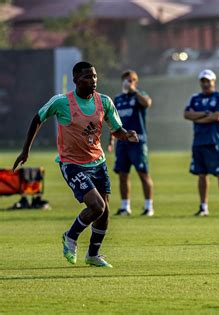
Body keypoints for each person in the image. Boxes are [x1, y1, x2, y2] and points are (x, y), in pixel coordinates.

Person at [13, 61, 138, 268]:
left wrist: (127, 135)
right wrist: (26, 150)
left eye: (95, 76)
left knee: (104, 212)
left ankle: (93, 255)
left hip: (97, 162)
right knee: (96, 206)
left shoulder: (104, 102)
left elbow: (116, 128)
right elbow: (37, 119)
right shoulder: (62, 102)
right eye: (88, 77)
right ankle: (70, 237)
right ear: (76, 80)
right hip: (72, 164)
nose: (93, 80)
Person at [184, 69, 219, 217]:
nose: (205, 84)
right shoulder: (194, 98)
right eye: (203, 81)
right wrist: (205, 114)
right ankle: (203, 207)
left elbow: (217, 116)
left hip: (214, 142)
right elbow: (186, 114)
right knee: (201, 174)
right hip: (198, 142)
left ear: (213, 82)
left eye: (208, 81)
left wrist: (197, 118)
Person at [109, 70, 154, 217]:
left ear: (136, 82)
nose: (128, 83)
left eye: (131, 80)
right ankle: (125, 207)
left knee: (143, 173)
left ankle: (149, 207)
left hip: (138, 142)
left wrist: (134, 91)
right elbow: (113, 122)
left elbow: (147, 103)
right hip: (123, 142)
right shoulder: (118, 99)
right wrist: (111, 139)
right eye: (126, 80)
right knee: (123, 174)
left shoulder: (139, 95)